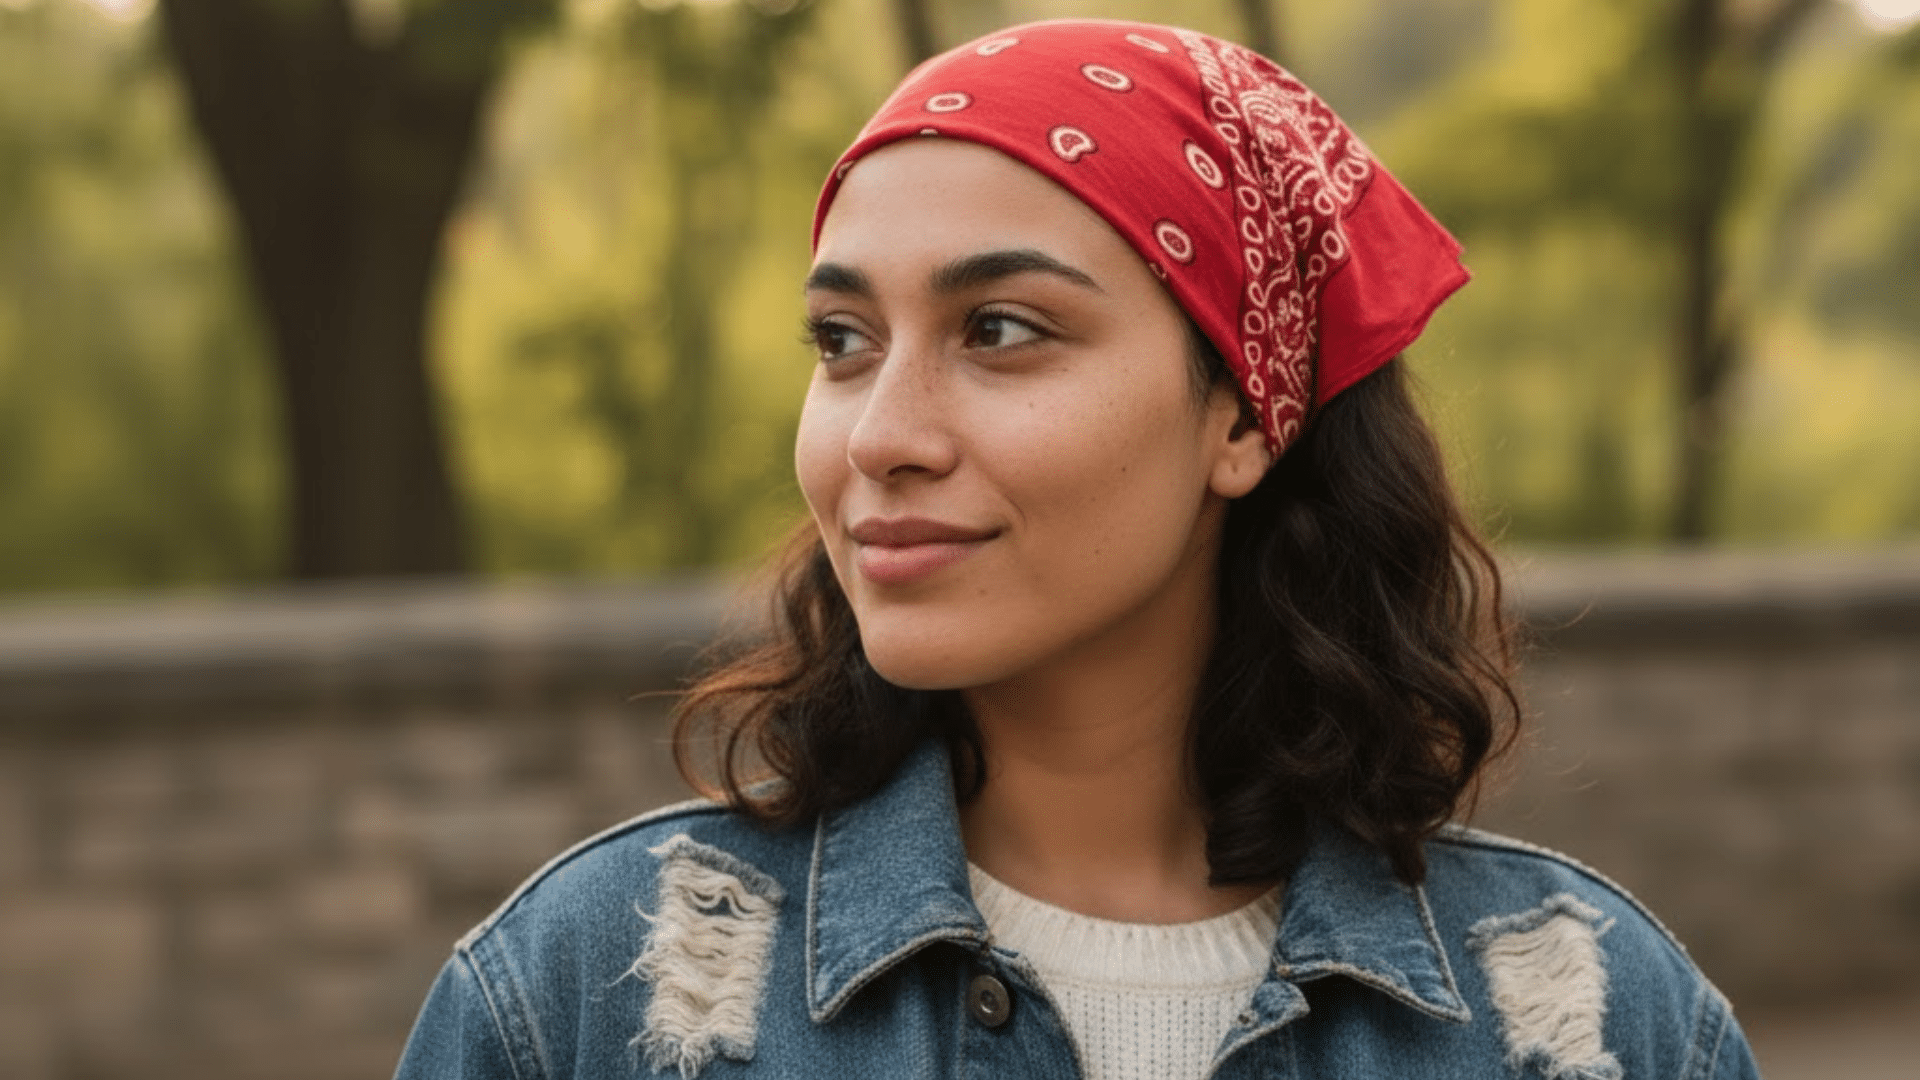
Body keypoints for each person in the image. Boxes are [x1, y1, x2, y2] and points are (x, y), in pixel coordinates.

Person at [394, 18, 1761, 1080]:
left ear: (1243, 415)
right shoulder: (590, 999)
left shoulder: (1587, 1027)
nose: (881, 435)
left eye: (999, 330)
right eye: (842, 341)